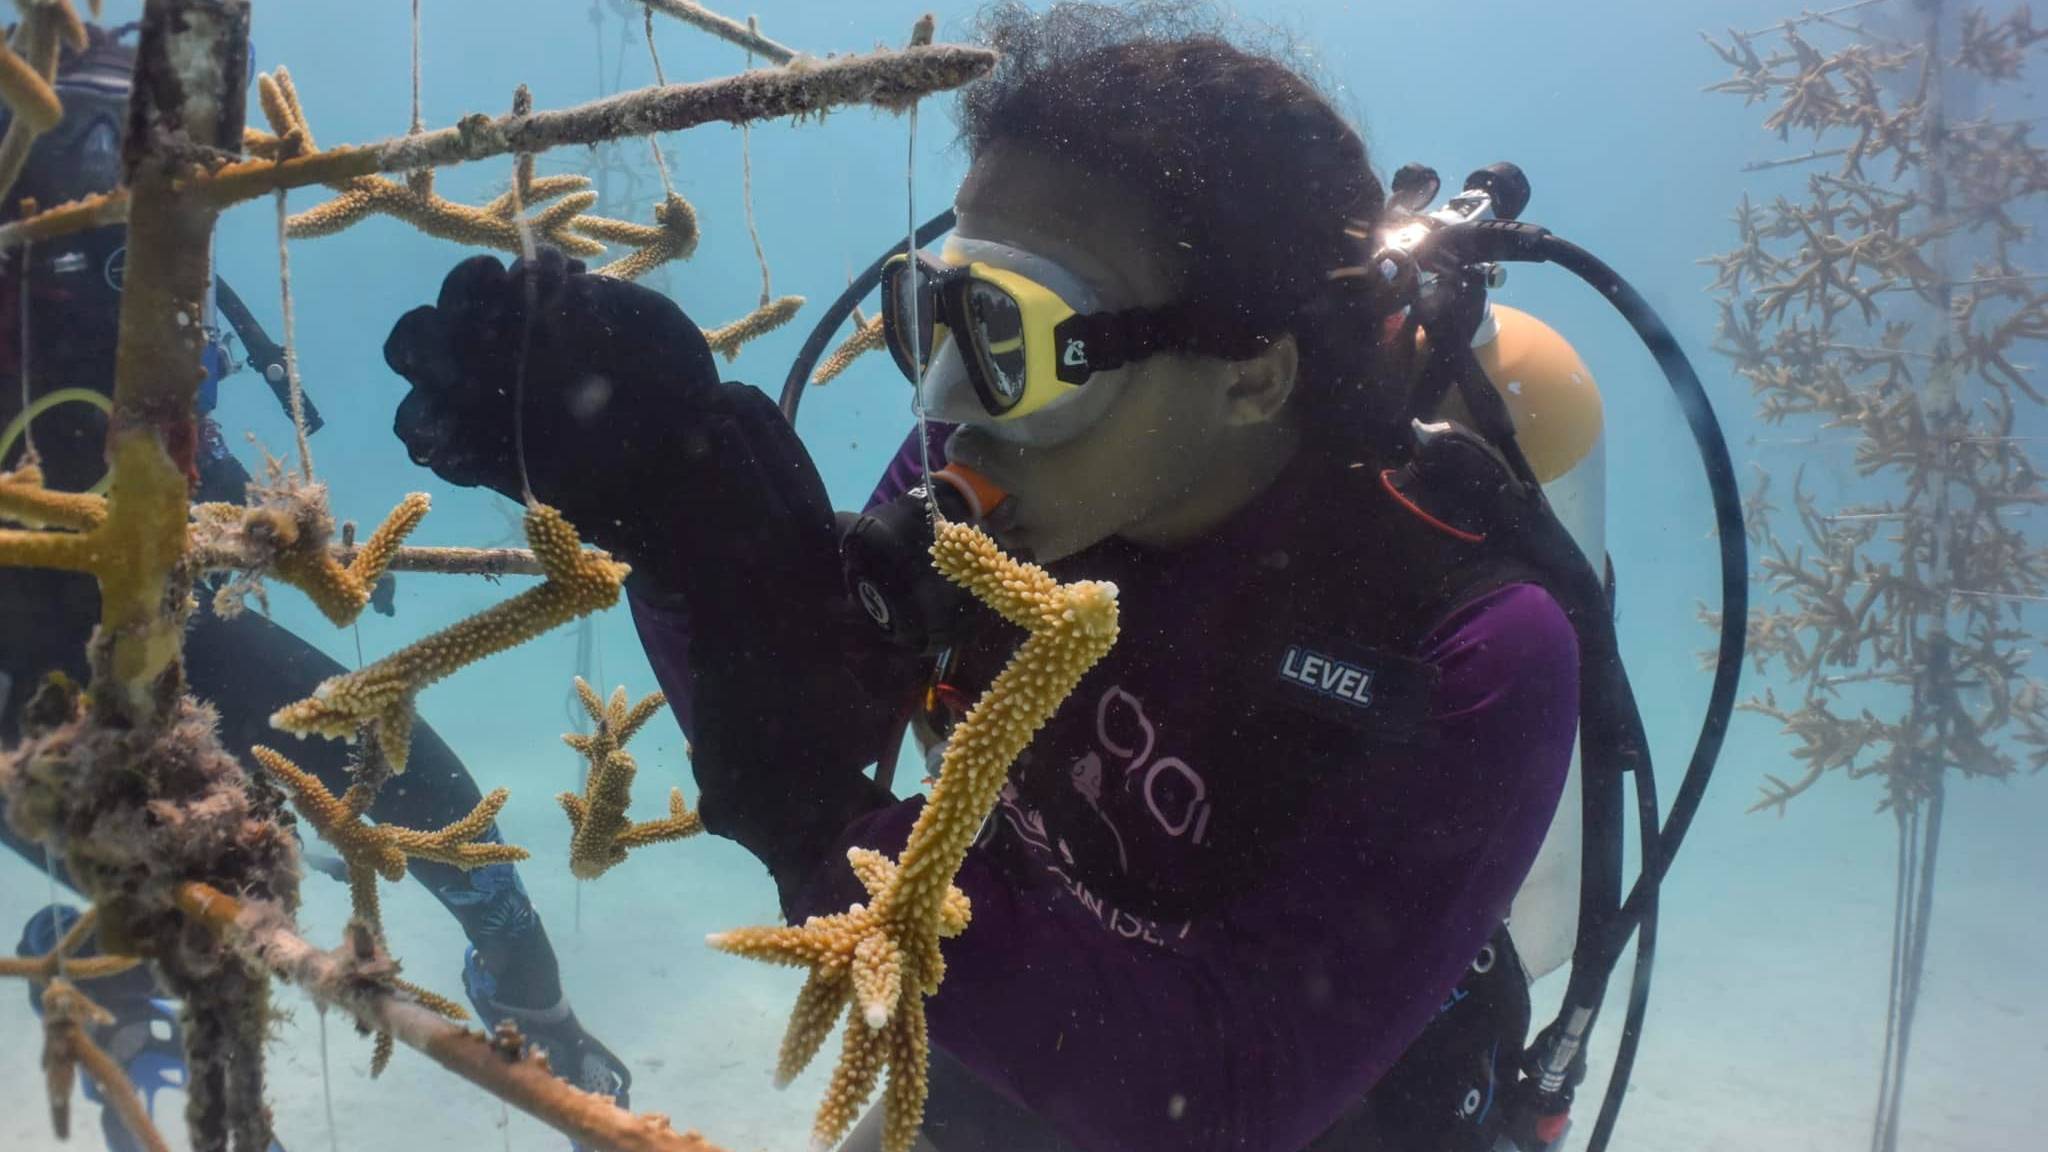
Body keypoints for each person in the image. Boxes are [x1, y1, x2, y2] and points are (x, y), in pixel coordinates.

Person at [381, 5, 1612, 1150]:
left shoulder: (1470, 645)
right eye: (937, 313)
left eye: (1009, 336)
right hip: (1028, 1015)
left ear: (1254, 375)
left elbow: (1232, 1086)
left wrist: (832, 844)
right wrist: (669, 498)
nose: (945, 404)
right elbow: (807, 716)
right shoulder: (992, 466)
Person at [0, 22, 632, 1141]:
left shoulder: (135, 287)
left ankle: (527, 992)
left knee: (428, 788)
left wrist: (279, 534)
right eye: (99, 155)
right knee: (174, 882)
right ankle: (125, 996)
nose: (119, 192)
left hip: (165, 618)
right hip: (12, 683)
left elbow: (174, 438)